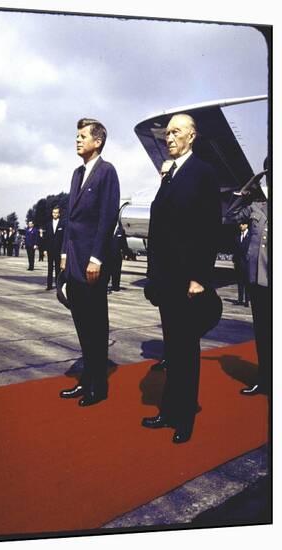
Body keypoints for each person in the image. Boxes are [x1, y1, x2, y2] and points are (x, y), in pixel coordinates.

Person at [142, 113, 221, 443]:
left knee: (186, 349)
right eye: (167, 133)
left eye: (175, 132)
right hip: (166, 279)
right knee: (173, 350)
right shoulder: (169, 175)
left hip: (188, 280)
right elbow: (158, 228)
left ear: (191, 136)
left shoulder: (203, 172)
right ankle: (170, 410)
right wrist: (151, 276)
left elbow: (209, 228)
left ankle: (185, 416)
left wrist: (200, 277)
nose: (168, 138)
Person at [59, 118, 120, 406]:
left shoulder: (107, 172)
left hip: (92, 263)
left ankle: (99, 385)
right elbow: (70, 219)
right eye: (77, 135)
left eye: (83, 136)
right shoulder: (76, 174)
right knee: (82, 325)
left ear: (98, 142)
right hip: (73, 261)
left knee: (96, 326)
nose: (78, 140)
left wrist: (96, 257)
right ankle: (86, 379)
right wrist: (62, 254)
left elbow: (107, 218)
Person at [226, 161, 269, 395]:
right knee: (263, 333)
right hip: (257, 280)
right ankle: (264, 379)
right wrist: (246, 190)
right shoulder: (255, 206)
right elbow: (230, 214)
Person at [45, 206, 64, 290]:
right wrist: (45, 250)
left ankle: (57, 285)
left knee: (57, 268)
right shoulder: (48, 224)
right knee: (49, 268)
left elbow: (64, 238)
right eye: (53, 212)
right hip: (50, 249)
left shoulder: (62, 224)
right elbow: (46, 238)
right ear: (52, 213)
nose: (55, 214)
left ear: (59, 214)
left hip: (58, 250)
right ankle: (49, 285)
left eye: (56, 212)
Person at [233, 222, 251, 307]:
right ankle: (240, 300)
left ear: (246, 225)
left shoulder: (250, 236)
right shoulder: (237, 236)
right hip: (239, 263)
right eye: (240, 224)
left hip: (247, 263)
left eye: (242, 224)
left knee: (247, 283)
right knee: (240, 282)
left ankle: (247, 300)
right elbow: (235, 250)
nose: (240, 226)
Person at [109, 221, 128, 291]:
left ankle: (116, 286)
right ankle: (106, 285)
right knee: (108, 270)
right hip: (108, 253)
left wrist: (126, 252)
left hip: (117, 255)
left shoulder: (121, 231)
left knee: (116, 271)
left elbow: (124, 243)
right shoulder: (108, 229)